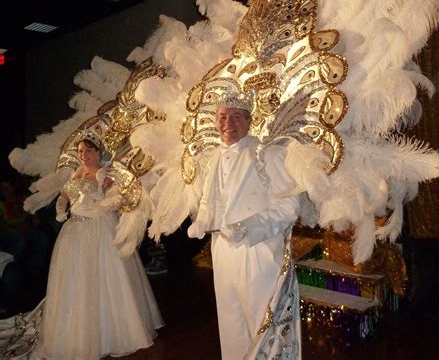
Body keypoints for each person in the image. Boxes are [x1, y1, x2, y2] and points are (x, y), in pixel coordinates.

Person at [188, 92, 302, 359]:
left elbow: (289, 207)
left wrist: (248, 227)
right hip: (223, 251)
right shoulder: (214, 156)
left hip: (258, 251)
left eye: (236, 117)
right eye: (222, 117)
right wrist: (201, 222)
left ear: (249, 121)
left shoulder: (269, 154)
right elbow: (209, 200)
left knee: (261, 323)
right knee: (231, 324)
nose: (228, 123)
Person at [34, 132, 164, 359]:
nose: (84, 155)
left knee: (107, 276)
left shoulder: (106, 172)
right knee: (77, 279)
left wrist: (103, 197)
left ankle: (113, 331)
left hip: (100, 227)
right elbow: (64, 196)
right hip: (75, 231)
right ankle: (78, 331)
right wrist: (60, 211)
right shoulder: (75, 173)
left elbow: (116, 199)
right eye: (81, 151)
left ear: (97, 152)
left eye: (88, 151)